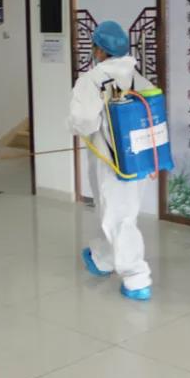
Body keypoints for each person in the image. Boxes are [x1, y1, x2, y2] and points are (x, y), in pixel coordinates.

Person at [67, 21, 154, 301]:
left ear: (100, 50)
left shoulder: (92, 80)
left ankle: (136, 278)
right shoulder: (136, 77)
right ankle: (103, 258)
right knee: (119, 210)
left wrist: (79, 125)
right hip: (138, 157)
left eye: (95, 47)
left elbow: (83, 121)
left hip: (109, 160)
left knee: (119, 216)